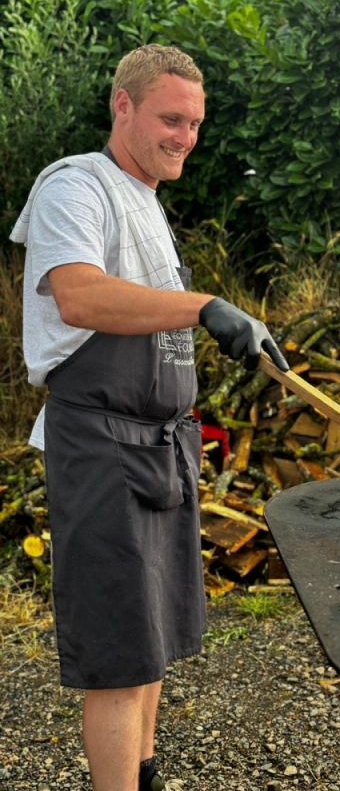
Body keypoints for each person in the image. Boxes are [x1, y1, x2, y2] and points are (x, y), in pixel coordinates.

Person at [10, 44, 289, 791]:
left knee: (155, 639)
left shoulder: (148, 204)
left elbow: (149, 316)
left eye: (195, 123)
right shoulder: (77, 187)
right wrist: (204, 307)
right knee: (119, 656)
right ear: (122, 107)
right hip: (100, 448)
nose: (185, 137)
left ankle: (146, 773)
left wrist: (244, 335)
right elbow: (79, 296)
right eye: (171, 118)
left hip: (162, 447)